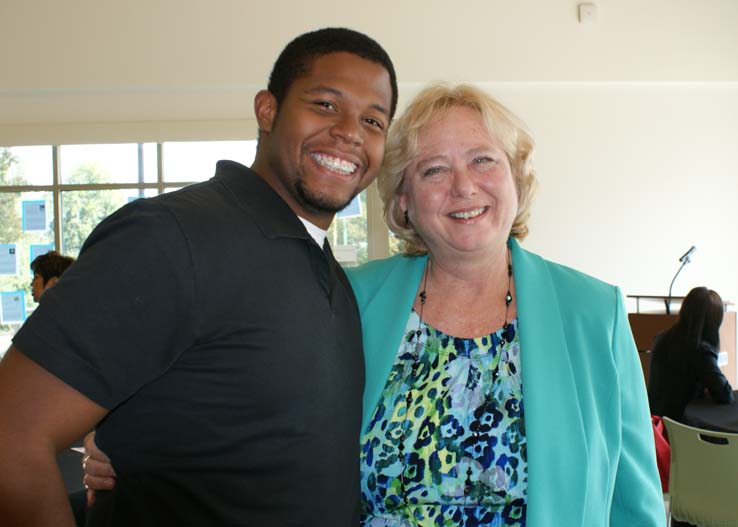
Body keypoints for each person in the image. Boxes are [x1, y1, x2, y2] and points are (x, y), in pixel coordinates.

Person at [85, 84, 665, 526]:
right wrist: (133, 438)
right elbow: (245, 409)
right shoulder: (346, 296)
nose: (464, 186)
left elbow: (633, 504)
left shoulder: (595, 312)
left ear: (516, 177)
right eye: (434, 169)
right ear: (404, 202)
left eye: (483, 160)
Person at [0, 27, 397, 527]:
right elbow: (11, 437)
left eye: (372, 120)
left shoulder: (326, 269)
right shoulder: (170, 237)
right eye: (324, 104)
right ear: (268, 110)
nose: (349, 132)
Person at [648, 286, 735, 421]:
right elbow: (725, 395)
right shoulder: (700, 350)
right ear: (714, 321)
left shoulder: (660, 339)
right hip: (685, 428)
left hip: (656, 425)